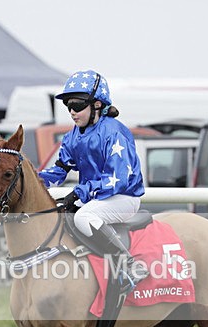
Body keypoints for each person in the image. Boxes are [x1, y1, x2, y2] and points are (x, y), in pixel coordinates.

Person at [39, 69, 148, 289]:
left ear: (97, 104)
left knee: (83, 218)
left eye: (77, 105)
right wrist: (29, 180)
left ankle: (129, 265)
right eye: (68, 105)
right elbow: (60, 171)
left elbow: (118, 180)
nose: (71, 111)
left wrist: (79, 193)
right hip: (97, 198)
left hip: (123, 197)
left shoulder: (114, 132)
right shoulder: (73, 135)